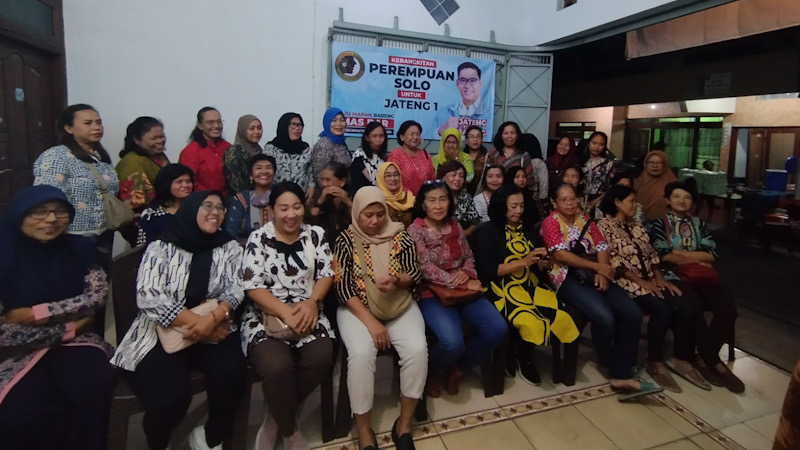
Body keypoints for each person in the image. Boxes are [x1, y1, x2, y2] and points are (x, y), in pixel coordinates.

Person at [111, 191, 247, 450]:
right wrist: (198, 323)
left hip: (215, 325)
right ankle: (159, 443)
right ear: (191, 208)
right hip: (160, 331)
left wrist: (216, 317)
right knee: (169, 398)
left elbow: (236, 287)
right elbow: (149, 296)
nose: (215, 212)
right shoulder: (161, 247)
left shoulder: (228, 247)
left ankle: (210, 438)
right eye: (207, 206)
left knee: (232, 373)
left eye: (220, 208)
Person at [0, 186, 113, 450]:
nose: (51, 219)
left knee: (94, 387)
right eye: (39, 212)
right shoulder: (4, 253)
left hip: (78, 343)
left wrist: (37, 313)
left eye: (60, 211)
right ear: (19, 214)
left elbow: (97, 296)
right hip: (16, 350)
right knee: (21, 413)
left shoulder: (79, 247)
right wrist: (68, 327)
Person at [540, 183, 661, 400]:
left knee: (632, 313)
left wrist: (603, 272)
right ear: (554, 203)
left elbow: (602, 246)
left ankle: (620, 370)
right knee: (604, 317)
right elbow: (560, 255)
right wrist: (597, 267)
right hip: (567, 277)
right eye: (564, 200)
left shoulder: (585, 219)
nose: (570, 203)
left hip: (595, 272)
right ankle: (618, 370)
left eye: (573, 198)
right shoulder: (550, 222)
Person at [240, 182, 335, 450]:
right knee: (276, 366)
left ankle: (276, 416)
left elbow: (326, 273)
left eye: (296, 207)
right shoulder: (258, 238)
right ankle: (290, 431)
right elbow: (252, 285)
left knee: (321, 357)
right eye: (283, 208)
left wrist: (312, 302)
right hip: (265, 315)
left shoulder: (315, 234)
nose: (291, 214)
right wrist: (284, 312)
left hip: (309, 310)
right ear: (271, 210)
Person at [333, 186, 426, 450]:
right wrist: (371, 322)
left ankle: (404, 425)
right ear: (356, 214)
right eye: (368, 215)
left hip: (398, 305)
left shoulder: (400, 235)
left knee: (417, 349)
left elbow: (415, 272)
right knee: (361, 354)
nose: (375, 221)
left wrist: (397, 280)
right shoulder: (345, 240)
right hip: (357, 309)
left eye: (380, 214)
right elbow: (343, 288)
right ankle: (364, 431)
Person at [597, 185, 710, 392]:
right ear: (618, 203)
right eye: (631, 201)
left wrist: (659, 278)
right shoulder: (604, 226)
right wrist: (642, 282)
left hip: (649, 278)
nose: (635, 205)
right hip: (627, 282)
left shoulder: (637, 225)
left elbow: (651, 255)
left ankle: (680, 358)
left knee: (684, 305)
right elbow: (614, 262)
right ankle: (654, 360)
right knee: (662, 309)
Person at [407, 180, 507, 398]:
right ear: (423, 204)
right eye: (432, 200)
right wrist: (460, 282)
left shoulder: (455, 225)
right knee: (452, 342)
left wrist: (467, 273)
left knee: (497, 329)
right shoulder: (415, 230)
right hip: (432, 293)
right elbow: (424, 268)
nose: (438, 205)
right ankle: (431, 373)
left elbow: (469, 256)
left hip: (463, 291)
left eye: (443, 199)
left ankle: (459, 368)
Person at [476, 184, 579, 385]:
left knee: (561, 317)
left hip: (530, 284)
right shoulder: (489, 230)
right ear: (502, 207)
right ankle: (520, 355)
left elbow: (536, 261)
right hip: (501, 287)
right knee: (531, 320)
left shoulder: (528, 229)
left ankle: (523, 352)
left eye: (522, 206)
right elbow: (486, 270)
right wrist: (522, 261)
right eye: (513, 206)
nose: (519, 211)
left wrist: (543, 263)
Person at [647, 181, 745, 393]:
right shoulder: (658, 224)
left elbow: (712, 255)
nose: (682, 201)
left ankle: (703, 357)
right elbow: (663, 255)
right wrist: (695, 258)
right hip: (673, 276)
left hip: (702, 276)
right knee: (694, 307)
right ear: (667, 200)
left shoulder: (699, 224)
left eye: (687, 197)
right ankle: (713, 363)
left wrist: (680, 254)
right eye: (676, 196)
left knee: (728, 310)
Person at [33, 104, 120, 272]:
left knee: (100, 281)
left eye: (99, 122)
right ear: (69, 128)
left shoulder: (99, 156)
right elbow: (48, 198)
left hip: (103, 232)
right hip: (73, 235)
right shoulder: (57, 156)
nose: (96, 127)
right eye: (88, 123)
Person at [116, 116, 170, 211]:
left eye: (162, 136)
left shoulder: (159, 156)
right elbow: (135, 201)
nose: (160, 141)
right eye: (154, 138)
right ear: (137, 140)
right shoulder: (132, 161)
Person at [137, 164, 194, 246]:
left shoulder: (197, 209)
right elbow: (144, 246)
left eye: (188, 181)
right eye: (179, 182)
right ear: (166, 184)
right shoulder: (151, 214)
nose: (186, 185)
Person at [179, 107, 231, 195]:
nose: (216, 126)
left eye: (219, 121)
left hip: (228, 199)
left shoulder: (227, 147)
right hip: (202, 199)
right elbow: (189, 181)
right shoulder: (191, 151)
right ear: (200, 125)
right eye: (210, 122)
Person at [224, 154, 276, 240]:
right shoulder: (241, 200)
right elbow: (232, 234)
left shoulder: (282, 197)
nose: (264, 171)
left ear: (274, 174)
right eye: (259, 168)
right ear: (251, 176)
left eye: (268, 168)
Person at [485, 122, 538, 200]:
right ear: (501, 136)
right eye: (505, 133)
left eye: (512, 133)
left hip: (517, 196)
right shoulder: (494, 153)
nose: (509, 136)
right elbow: (487, 175)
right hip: (496, 195)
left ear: (517, 135)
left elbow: (529, 179)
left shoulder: (524, 155)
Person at [264, 113, 313, 194]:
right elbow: (266, 175)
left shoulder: (306, 150)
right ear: (284, 126)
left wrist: (309, 198)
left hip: (300, 198)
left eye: (300, 125)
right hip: (276, 197)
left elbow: (311, 178)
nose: (297, 128)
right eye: (293, 124)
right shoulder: (271, 149)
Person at [436, 62, 488, 136]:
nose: (467, 86)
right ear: (457, 84)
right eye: (463, 80)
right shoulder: (444, 112)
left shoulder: (488, 112)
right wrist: (441, 130)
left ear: (480, 83)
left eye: (473, 80)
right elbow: (426, 135)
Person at [306, 162, 352, 243]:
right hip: (325, 241)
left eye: (327, 180)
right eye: (322, 180)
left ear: (342, 182)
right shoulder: (319, 195)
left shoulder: (353, 196)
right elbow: (310, 220)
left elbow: (359, 220)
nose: (323, 184)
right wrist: (320, 202)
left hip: (348, 241)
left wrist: (348, 202)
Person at [387, 120, 434, 195]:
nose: (415, 137)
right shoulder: (395, 155)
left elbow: (431, 179)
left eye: (418, 134)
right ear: (402, 137)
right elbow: (391, 180)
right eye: (411, 134)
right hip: (402, 199)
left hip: (423, 199)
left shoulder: (425, 154)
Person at [223, 114, 264, 196]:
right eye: (252, 128)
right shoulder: (234, 152)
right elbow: (235, 183)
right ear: (242, 130)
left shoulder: (259, 150)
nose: (257, 132)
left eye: (259, 128)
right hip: (241, 199)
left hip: (259, 198)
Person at [311, 107, 352, 189]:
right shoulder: (323, 145)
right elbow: (319, 176)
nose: (339, 124)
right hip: (329, 191)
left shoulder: (341, 142)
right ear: (327, 122)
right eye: (334, 120)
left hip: (342, 189)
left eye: (342, 120)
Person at [437, 160, 480, 237]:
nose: (458, 179)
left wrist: (462, 234)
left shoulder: (465, 197)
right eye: (453, 175)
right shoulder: (435, 197)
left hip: (464, 238)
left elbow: (475, 223)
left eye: (461, 176)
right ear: (443, 177)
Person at [634, 150, 677, 221]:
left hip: (667, 224)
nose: (655, 166)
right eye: (651, 162)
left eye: (659, 163)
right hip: (639, 225)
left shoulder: (674, 185)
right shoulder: (636, 183)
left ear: (665, 165)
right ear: (645, 164)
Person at [579, 131, 614, 213]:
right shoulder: (580, 161)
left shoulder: (608, 164)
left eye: (601, 144)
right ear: (589, 143)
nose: (597, 147)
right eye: (594, 143)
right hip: (580, 200)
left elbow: (611, 187)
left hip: (600, 201)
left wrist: (595, 202)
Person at [349, 121, 388, 195]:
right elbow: (357, 183)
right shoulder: (360, 155)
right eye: (374, 136)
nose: (378, 140)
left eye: (381, 136)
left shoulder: (384, 158)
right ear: (367, 137)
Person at [376, 162, 415, 228]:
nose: (393, 179)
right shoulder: (378, 200)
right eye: (388, 176)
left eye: (396, 175)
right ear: (381, 178)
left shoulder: (409, 198)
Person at [504, 166, 540, 230]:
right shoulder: (504, 196)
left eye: (524, 176)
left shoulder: (527, 196)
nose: (521, 179)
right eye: (517, 177)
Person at [518, 133, 549, 202]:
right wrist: (543, 201)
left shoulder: (518, 160)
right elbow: (544, 186)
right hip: (533, 199)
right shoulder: (539, 163)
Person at [463, 125, 488, 195]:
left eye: (478, 137)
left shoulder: (487, 158)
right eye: (471, 136)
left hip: (481, 194)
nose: (475, 139)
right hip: (463, 194)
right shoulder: (461, 157)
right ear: (466, 140)